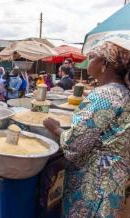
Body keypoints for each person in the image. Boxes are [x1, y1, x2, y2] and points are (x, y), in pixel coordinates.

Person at [44, 41, 130, 217]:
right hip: (114, 177)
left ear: (104, 63)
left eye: (92, 57)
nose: (87, 62)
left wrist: (56, 128)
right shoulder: (123, 92)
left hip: (95, 180)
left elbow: (76, 143)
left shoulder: (104, 94)